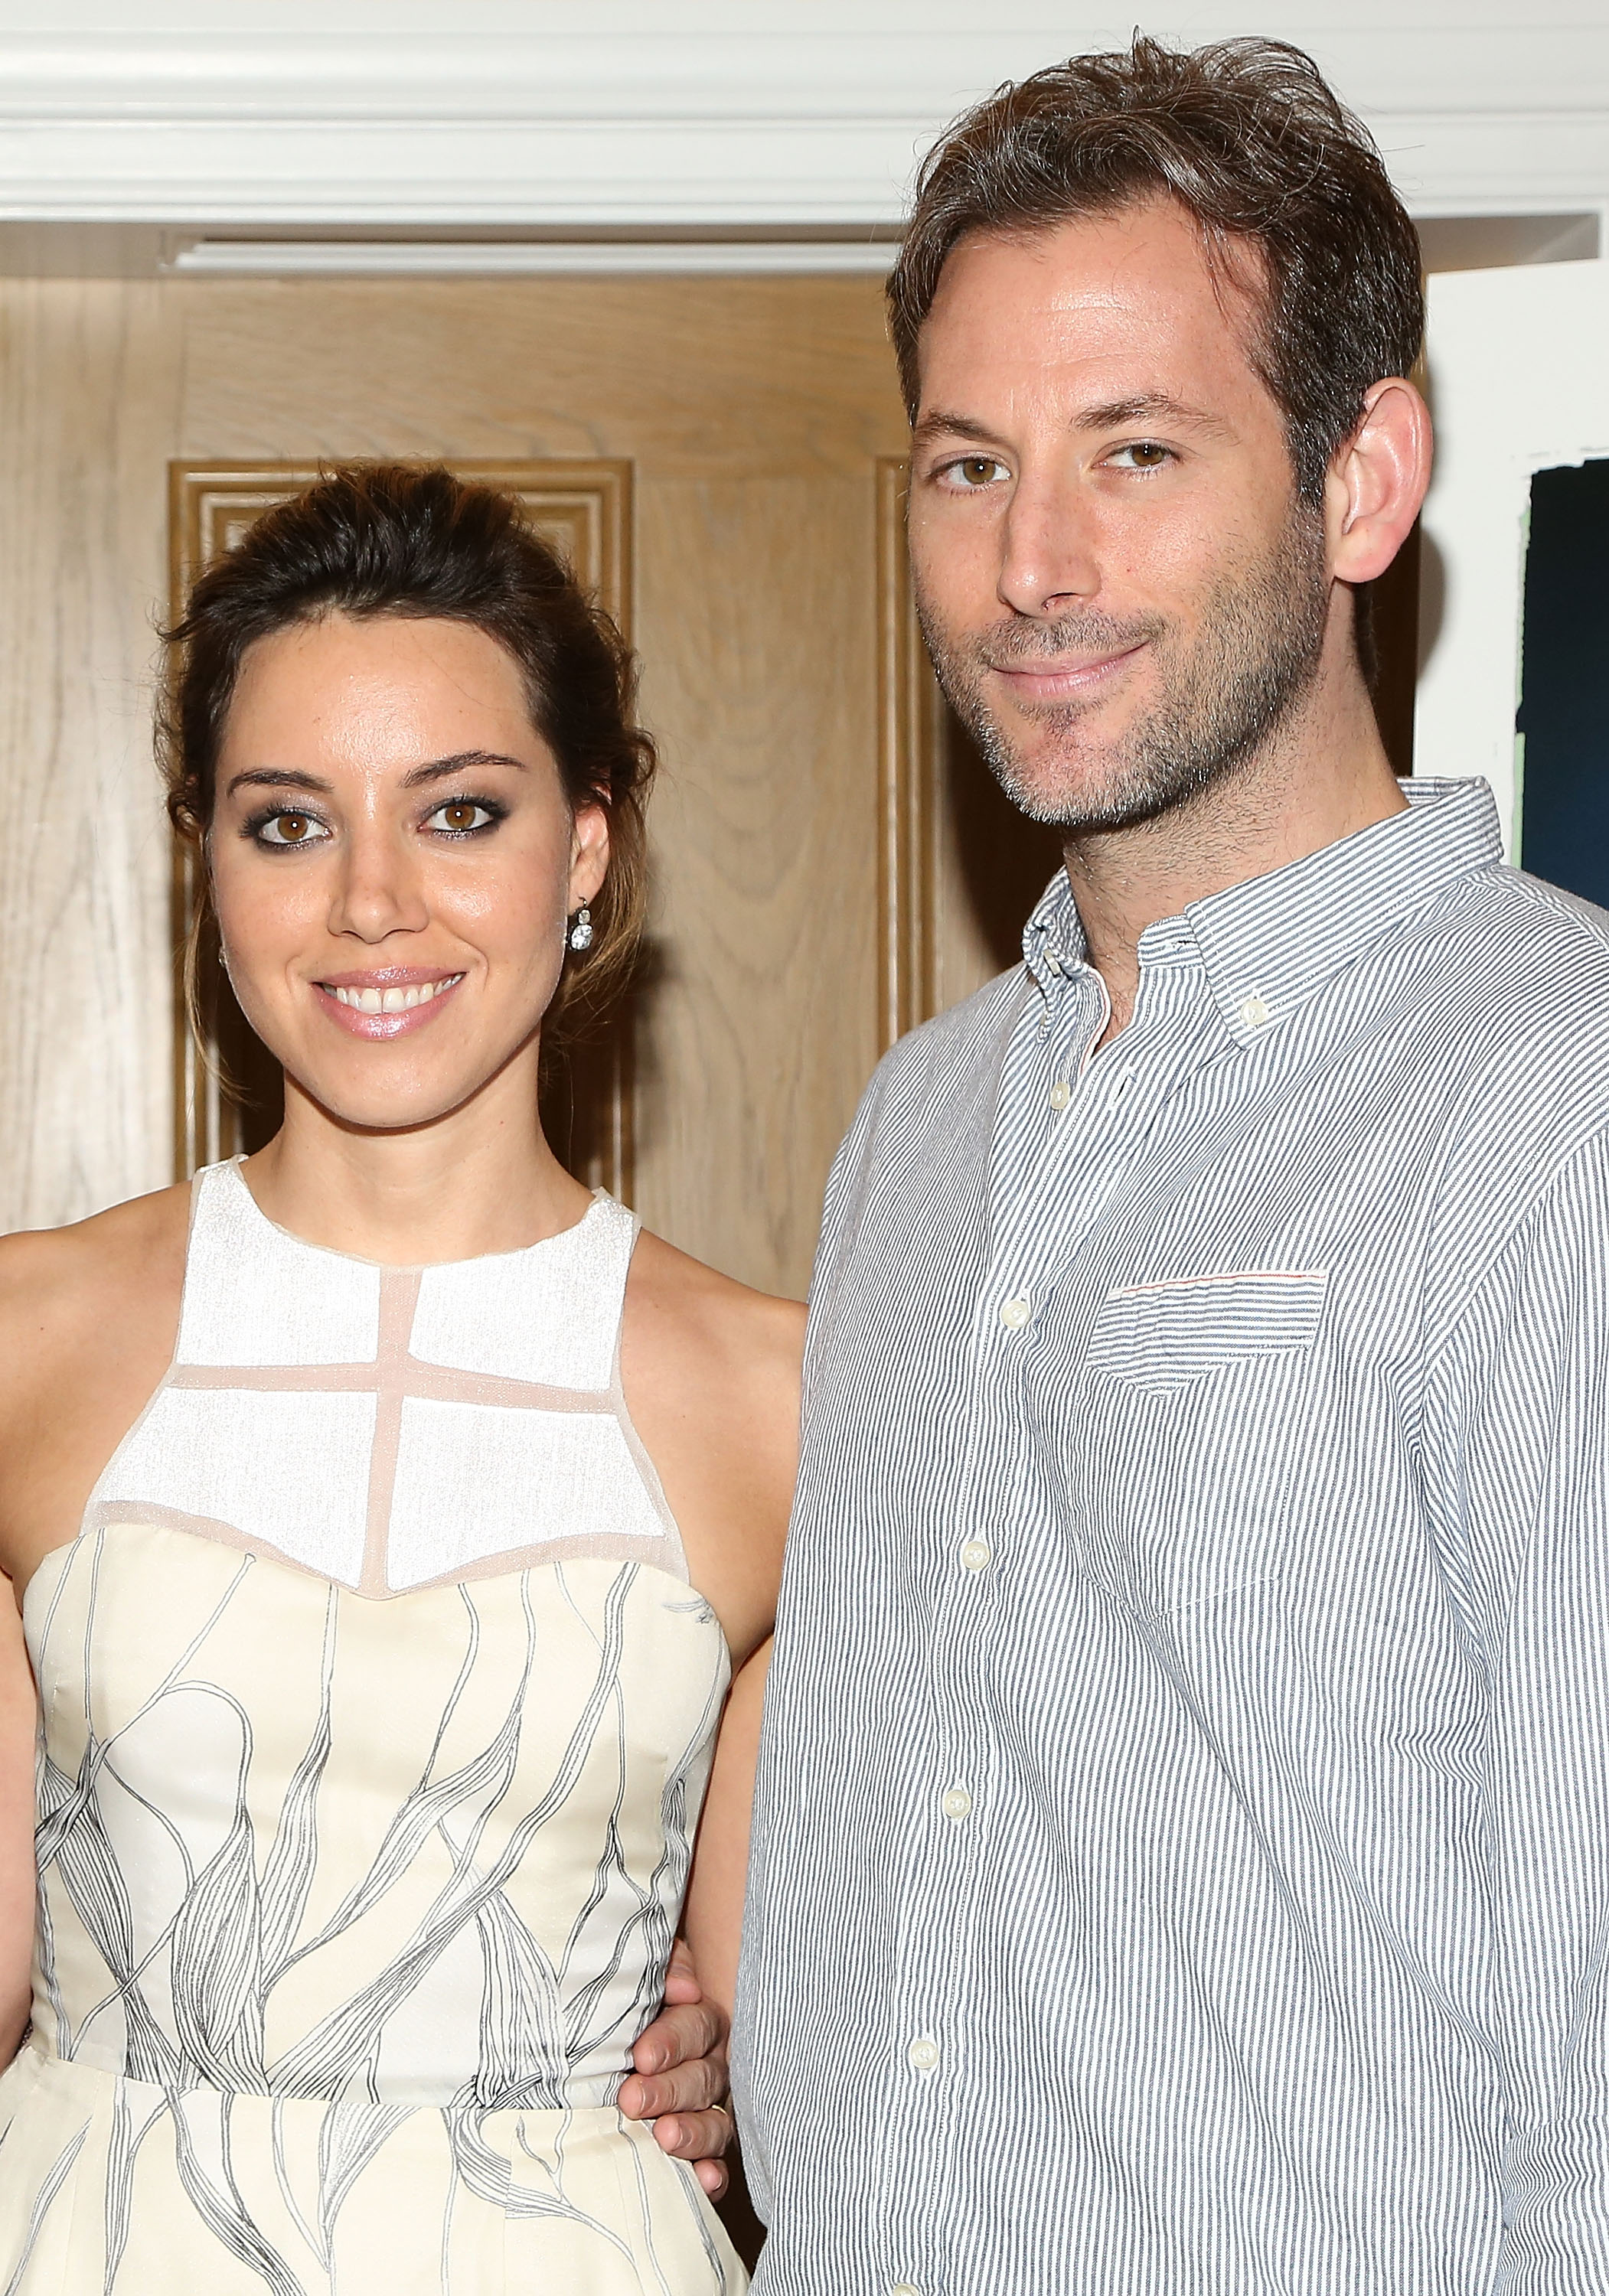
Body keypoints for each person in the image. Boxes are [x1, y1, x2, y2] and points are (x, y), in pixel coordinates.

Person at [733, 34, 1609, 2294]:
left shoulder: (1556, 1091)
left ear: (1357, 480)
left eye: (1134, 452)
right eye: (965, 466)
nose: (1032, 563)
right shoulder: (914, 1133)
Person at [0, 463, 799, 2292]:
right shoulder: (29, 1344)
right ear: (204, 856)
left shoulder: (780, 1400)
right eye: (287, 825)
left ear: (585, 848)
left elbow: (831, 2041)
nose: (371, 904)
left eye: (458, 812)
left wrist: (741, 2070)